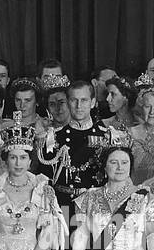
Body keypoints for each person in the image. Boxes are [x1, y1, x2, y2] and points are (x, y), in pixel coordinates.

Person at [36, 81, 124, 209]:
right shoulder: (53, 138)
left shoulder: (108, 137)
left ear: (93, 103)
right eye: (73, 100)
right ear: (67, 102)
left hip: (96, 209)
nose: (78, 106)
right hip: (63, 208)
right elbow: (44, 180)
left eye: (84, 100)